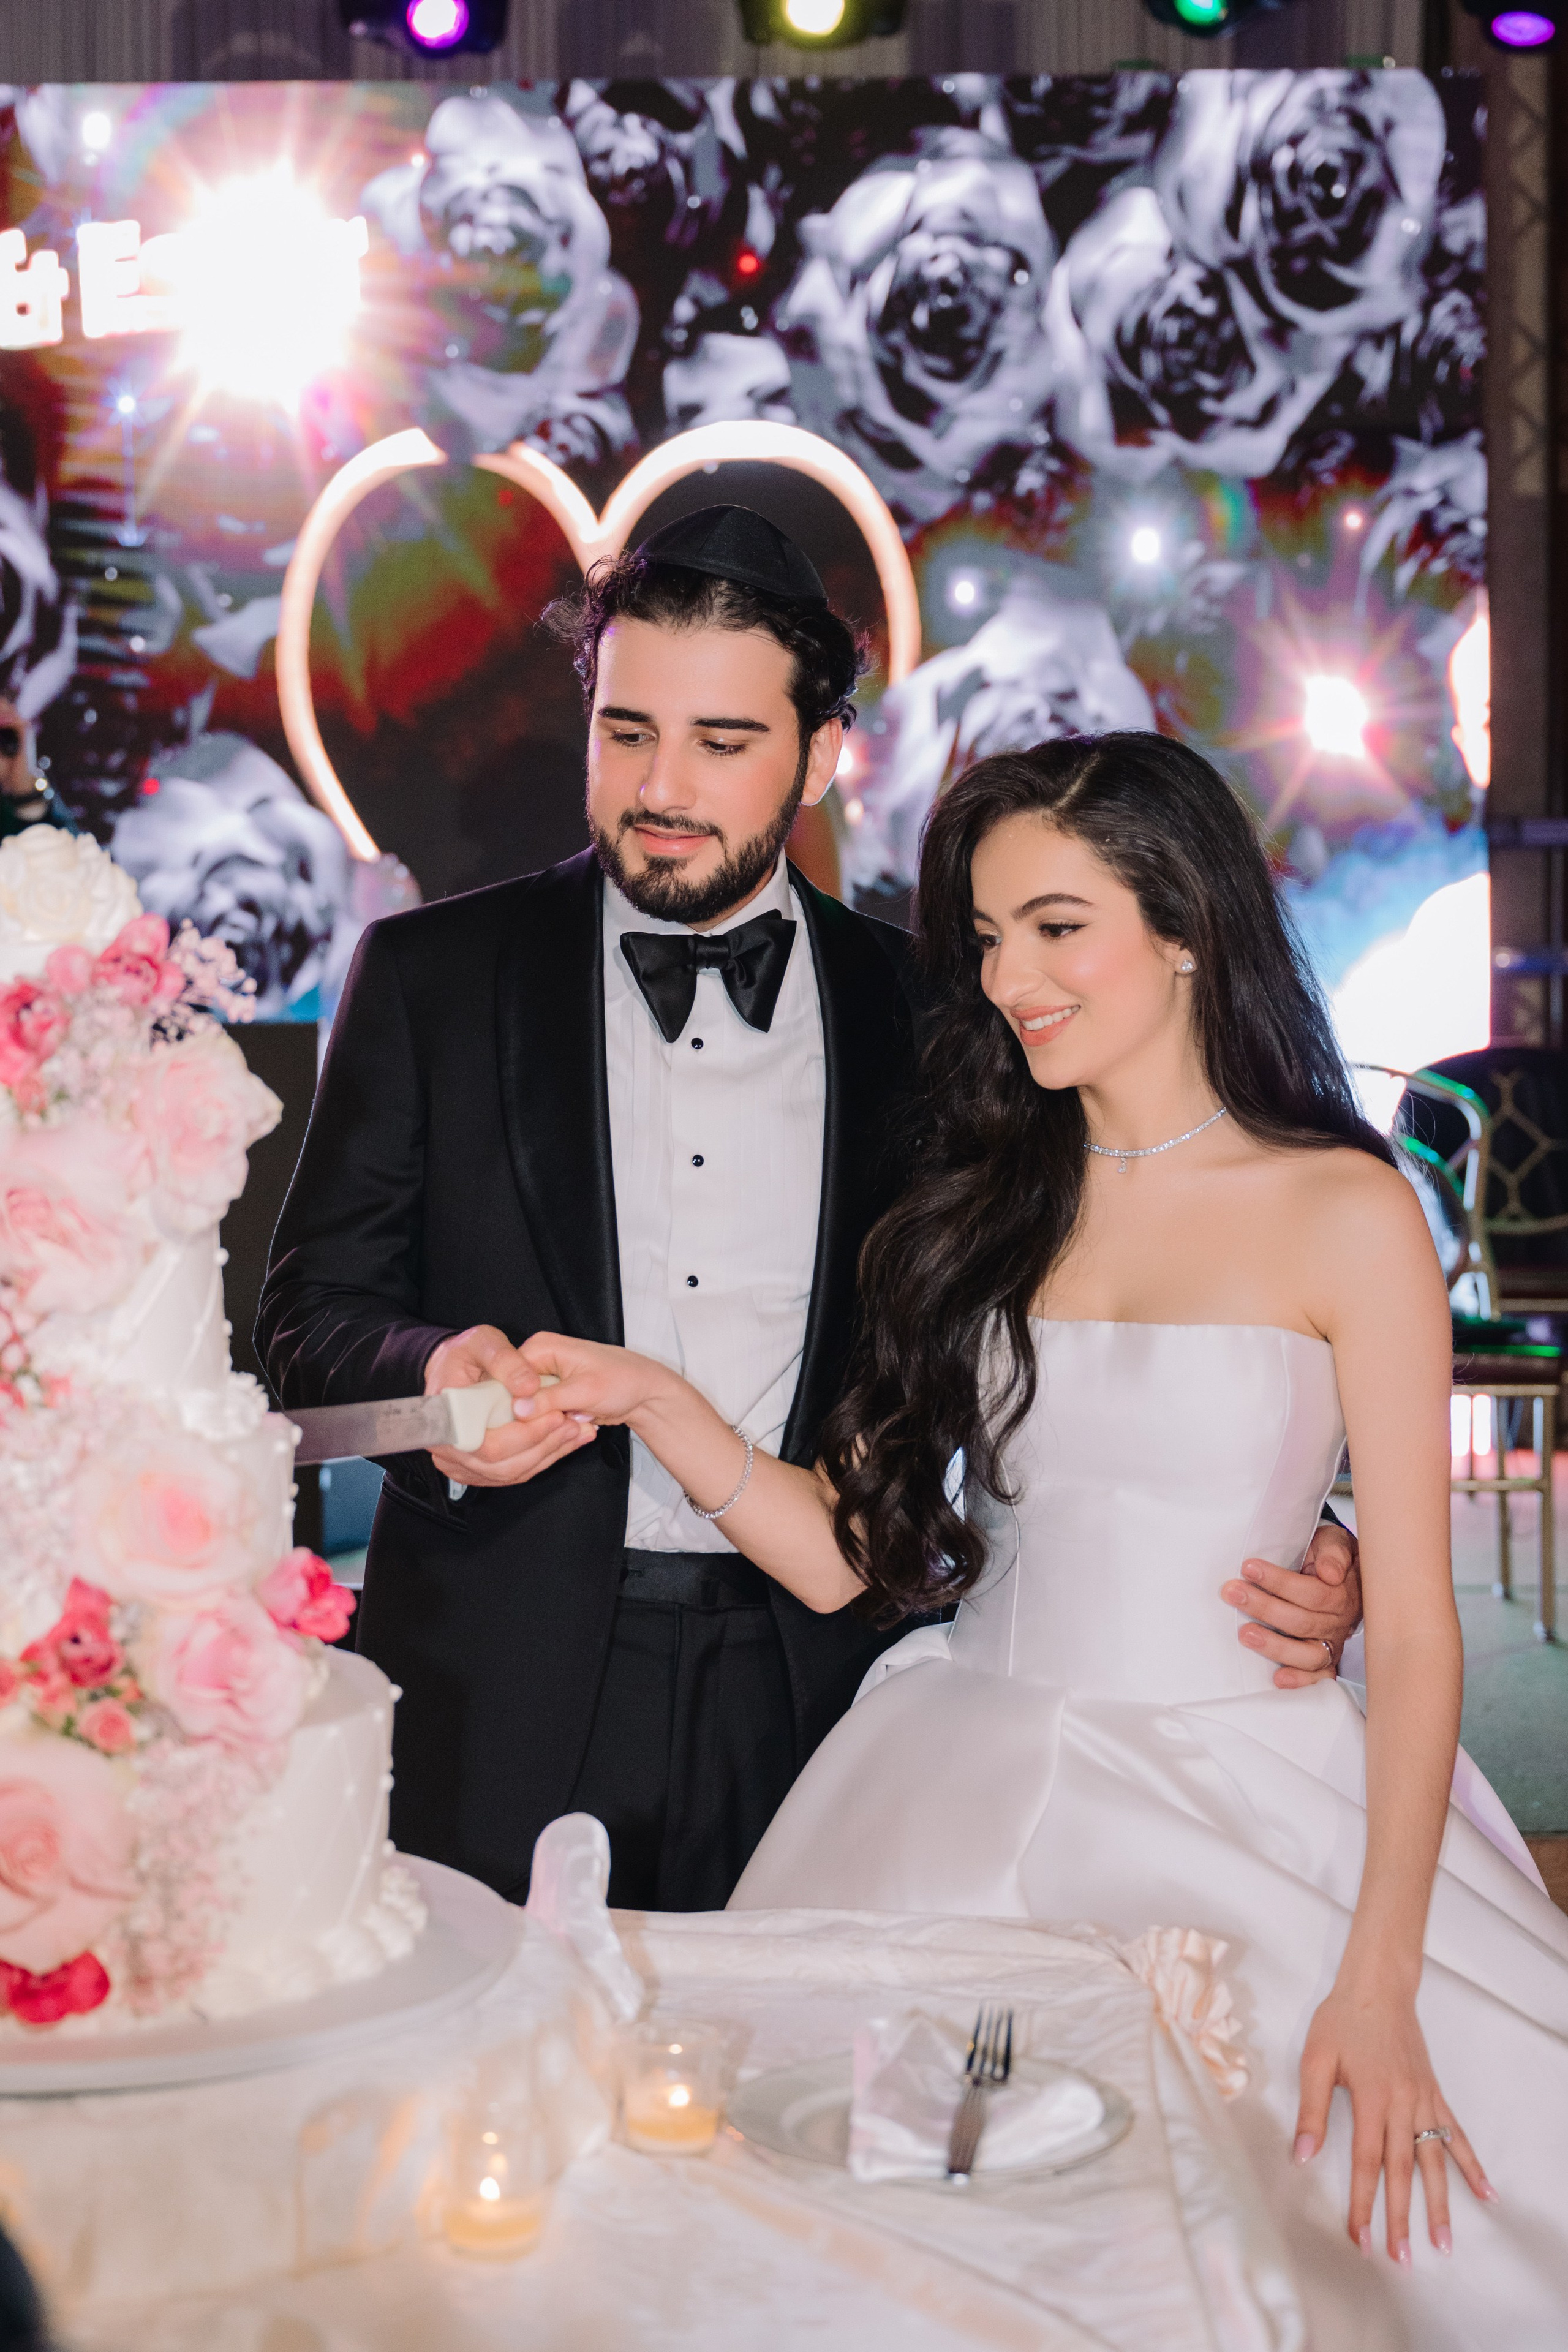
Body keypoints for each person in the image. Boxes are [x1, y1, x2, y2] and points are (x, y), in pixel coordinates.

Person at [517, 734, 1568, 2342]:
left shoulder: (1345, 1213)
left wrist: (1379, 1983)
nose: (1012, 976)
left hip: (1255, 1802)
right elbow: (843, 1556)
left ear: (1185, 924)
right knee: (910, 2244)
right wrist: (658, 1401)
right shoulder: (979, 1205)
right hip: (952, 1781)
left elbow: (1418, 1628)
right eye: (990, 935)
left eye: (1057, 926)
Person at [258, 525, 1358, 1913]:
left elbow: (1113, 1292)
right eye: (625, 731)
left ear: (819, 756)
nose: (660, 787)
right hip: (500, 1672)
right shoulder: (425, 976)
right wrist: (429, 1378)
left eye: (722, 741)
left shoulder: (939, 1012)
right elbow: (308, 1318)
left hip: (839, 1697)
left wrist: (1298, 1535)